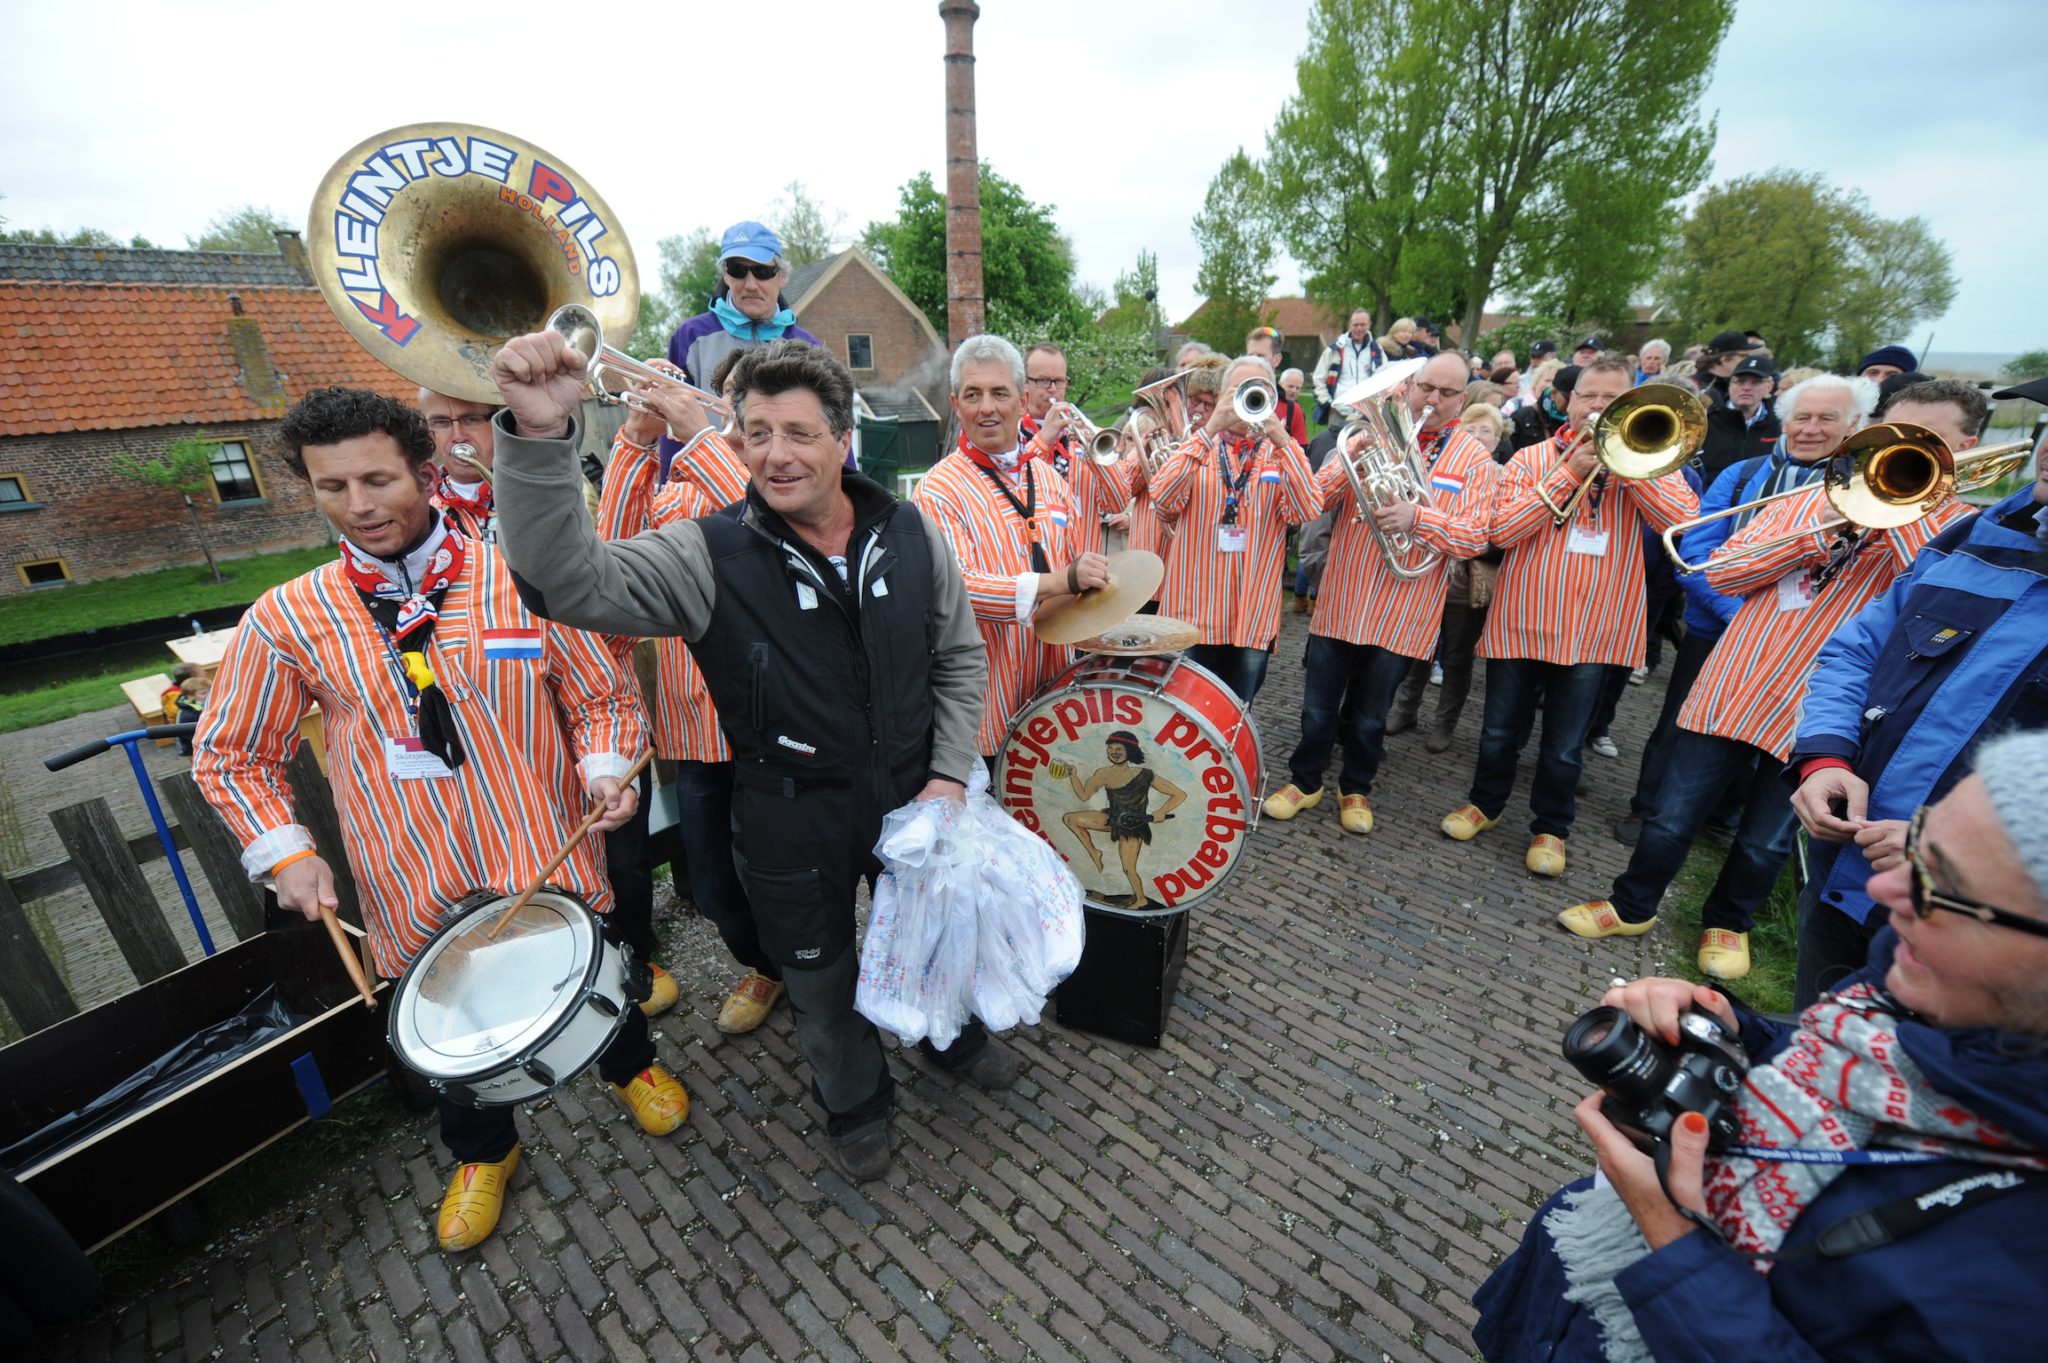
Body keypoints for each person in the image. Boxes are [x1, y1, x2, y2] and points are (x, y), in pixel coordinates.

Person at [487, 334, 1000, 1182]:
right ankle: (855, 1099)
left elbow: (959, 654)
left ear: (843, 439)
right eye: (757, 432)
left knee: (939, 936)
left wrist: (947, 774)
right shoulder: (706, 553)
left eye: (799, 432)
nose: (777, 453)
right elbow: (562, 581)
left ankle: (950, 1036)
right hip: (790, 813)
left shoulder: (910, 531)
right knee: (820, 978)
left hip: (917, 798)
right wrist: (540, 440)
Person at [193, 387, 680, 1253]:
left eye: (377, 479)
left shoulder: (521, 576)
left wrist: (606, 770)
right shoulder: (286, 618)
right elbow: (231, 753)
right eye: (331, 487)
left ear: (424, 470)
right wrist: (286, 852)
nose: (360, 505)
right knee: (451, 1026)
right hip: (411, 877)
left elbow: (602, 693)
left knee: (600, 977)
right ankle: (484, 1153)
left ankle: (631, 1066)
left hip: (544, 850)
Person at [1473, 727, 2048, 1363]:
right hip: (1570, 1314)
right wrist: (1731, 1027)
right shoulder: (1923, 980)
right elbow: (1829, 1045)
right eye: (1917, 845)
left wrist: (1674, 1245)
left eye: (1944, 888)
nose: (1884, 892)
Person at [1559, 377, 1975, 983]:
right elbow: (1722, 571)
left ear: (1964, 448)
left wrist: (1901, 511)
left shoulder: (1958, 533)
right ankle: (1631, 906)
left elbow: (1934, 601)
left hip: (1826, 715)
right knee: (1674, 814)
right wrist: (1825, 523)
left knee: (1765, 841)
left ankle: (1729, 922)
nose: (1905, 450)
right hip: (1738, 685)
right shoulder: (1814, 498)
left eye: (1927, 440)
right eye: (1896, 436)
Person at [1786, 373, 2048, 1007]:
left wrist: (1952, 848)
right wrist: (1825, 759)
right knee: (1809, 1054)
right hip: (1847, 874)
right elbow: (1857, 651)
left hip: (1974, 932)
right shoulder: (1973, 537)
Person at [421, 376, 667, 1012]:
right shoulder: (416, 515)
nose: (456, 436)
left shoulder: (553, 485)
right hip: (508, 717)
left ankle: (634, 960)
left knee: (622, 855)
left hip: (588, 692)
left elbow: (607, 565)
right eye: (438, 423)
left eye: (471, 419)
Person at [1440, 356, 1699, 877]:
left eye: (1612, 399)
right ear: (1568, 401)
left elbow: (1684, 522)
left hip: (1593, 633)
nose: (1598, 408)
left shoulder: (1650, 463)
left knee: (1563, 747)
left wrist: (1629, 465)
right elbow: (1501, 532)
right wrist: (1569, 474)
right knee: (1498, 732)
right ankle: (1485, 804)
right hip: (1521, 622)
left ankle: (1551, 828)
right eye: (1589, 397)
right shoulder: (1530, 459)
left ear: (1633, 404)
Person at [595, 356, 783, 1033]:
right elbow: (612, 555)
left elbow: (771, 535)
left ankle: (810, 966)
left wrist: (701, 435)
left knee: (778, 875)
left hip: (772, 730)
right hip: (697, 736)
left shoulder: (786, 477)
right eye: (732, 396)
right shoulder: (676, 489)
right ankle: (769, 965)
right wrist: (638, 438)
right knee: (710, 883)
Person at [1612, 372, 1859, 848]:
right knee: (1680, 726)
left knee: (1770, 738)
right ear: (1784, 422)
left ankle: (1722, 815)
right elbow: (1696, 554)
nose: (1810, 429)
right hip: (1717, 629)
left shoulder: (1869, 493)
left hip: (1805, 648)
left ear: (1852, 426)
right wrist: (1737, 614)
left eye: (1827, 419)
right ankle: (1649, 811)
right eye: (1801, 417)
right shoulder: (1742, 474)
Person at [1263, 353, 1498, 833]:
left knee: (1372, 716)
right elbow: (1308, 502)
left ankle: (1356, 789)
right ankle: (1305, 781)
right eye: (1426, 387)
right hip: (1345, 600)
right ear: (1407, 386)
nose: (1433, 399)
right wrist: (1345, 457)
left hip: (1405, 613)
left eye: (1447, 393)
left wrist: (1419, 519)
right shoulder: (1365, 440)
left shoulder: (1474, 458)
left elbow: (1475, 537)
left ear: (1464, 396)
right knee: (1317, 706)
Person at [915, 334, 1111, 761]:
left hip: (1055, 701)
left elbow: (1075, 570)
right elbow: (959, 589)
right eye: (973, 394)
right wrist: (1058, 580)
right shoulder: (937, 489)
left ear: (1022, 400)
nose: (987, 407)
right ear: (956, 404)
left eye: (999, 392)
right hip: (984, 712)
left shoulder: (1050, 478)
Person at [1151, 354, 1318, 703]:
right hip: (1191, 616)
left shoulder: (1280, 454)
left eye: (1259, 391)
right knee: (1180, 712)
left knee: (1237, 717)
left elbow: (1307, 508)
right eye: (1239, 390)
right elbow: (1162, 500)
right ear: (1224, 393)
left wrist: (1282, 440)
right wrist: (1210, 428)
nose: (1248, 399)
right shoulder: (1196, 446)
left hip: (1250, 620)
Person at [1387, 400, 1514, 751]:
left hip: (1465, 583)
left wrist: (1466, 539)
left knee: (1457, 657)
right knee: (1417, 650)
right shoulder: (1444, 466)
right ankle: (1406, 708)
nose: (1475, 435)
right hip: (1429, 575)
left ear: (1498, 439)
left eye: (1484, 430)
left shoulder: (1503, 477)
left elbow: (1497, 535)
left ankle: (1445, 723)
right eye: (1469, 429)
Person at [1017, 342, 1129, 562]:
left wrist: (1096, 455)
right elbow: (1010, 484)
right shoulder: (1011, 435)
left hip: (1085, 569)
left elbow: (1117, 502)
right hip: (1033, 569)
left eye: (1059, 381)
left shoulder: (1082, 437)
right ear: (1024, 384)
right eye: (1043, 380)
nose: (1052, 389)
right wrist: (1043, 440)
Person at [1055, 731, 1186, 909]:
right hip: (1112, 818)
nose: (1113, 752)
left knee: (1128, 869)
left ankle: (1141, 899)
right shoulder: (1103, 774)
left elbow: (1179, 794)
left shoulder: (1145, 774)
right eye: (1110, 748)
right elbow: (1084, 795)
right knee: (1070, 819)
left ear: (1129, 751)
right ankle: (1095, 852)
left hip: (1132, 825)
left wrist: (1161, 811)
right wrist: (1073, 775)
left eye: (1118, 748)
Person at [418, 387, 501, 541]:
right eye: (441, 422)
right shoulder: (418, 507)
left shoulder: (529, 491)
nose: (458, 436)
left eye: (470, 419)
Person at [1696, 353, 1782, 481]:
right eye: (1740, 381)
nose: (1746, 388)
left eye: (1755, 382)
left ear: (1769, 387)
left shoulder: (1779, 425)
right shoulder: (1707, 421)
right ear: (1730, 385)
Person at [1312, 309, 1387, 426]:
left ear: (1369, 325)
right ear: (1350, 325)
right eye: (1355, 325)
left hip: (1368, 412)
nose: (1359, 328)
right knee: (1335, 444)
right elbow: (1318, 378)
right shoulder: (1335, 349)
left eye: (1363, 325)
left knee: (1368, 444)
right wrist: (1328, 402)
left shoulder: (1377, 350)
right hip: (1338, 412)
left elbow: (1384, 379)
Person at [1509, 363, 1574, 450]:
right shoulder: (1520, 412)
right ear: (1536, 382)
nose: (1550, 386)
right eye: (1548, 380)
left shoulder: (1574, 421)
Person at [1689, 330, 1753, 409]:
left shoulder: (1733, 386)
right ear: (1724, 360)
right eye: (1743, 356)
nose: (1748, 360)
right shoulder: (1692, 387)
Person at [1274, 367, 1309, 446]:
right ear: (1280, 384)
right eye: (1290, 386)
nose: (1294, 391)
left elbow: (1301, 445)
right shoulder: (1269, 403)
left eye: (1298, 388)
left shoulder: (1295, 409)